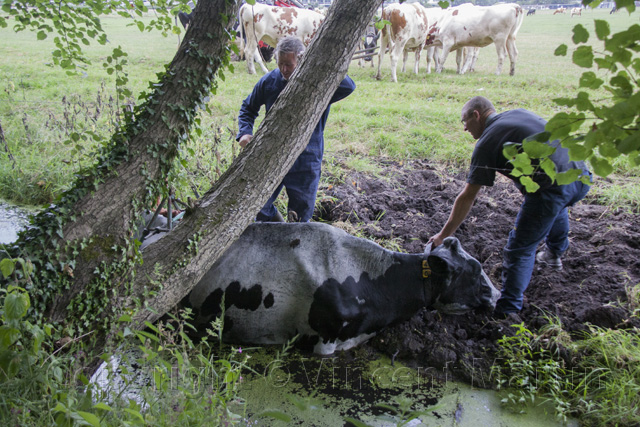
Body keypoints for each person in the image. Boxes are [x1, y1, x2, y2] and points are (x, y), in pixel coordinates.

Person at [429, 96, 591, 318]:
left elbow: (468, 197)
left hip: (552, 189)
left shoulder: (487, 142)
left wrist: (443, 235)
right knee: (556, 204)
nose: (465, 128)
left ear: (477, 115)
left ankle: (508, 311)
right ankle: (554, 252)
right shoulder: (518, 113)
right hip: (581, 176)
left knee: (519, 249)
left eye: (464, 121)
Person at [237, 36, 355, 222]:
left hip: (306, 158)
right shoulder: (269, 81)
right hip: (270, 155)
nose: (284, 69)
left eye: (289, 65)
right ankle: (277, 229)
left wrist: (317, 63)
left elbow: (348, 86)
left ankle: (292, 236)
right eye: (280, 64)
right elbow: (248, 108)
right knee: (259, 206)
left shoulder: (320, 84)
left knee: (300, 216)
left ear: (301, 61)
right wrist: (245, 133)